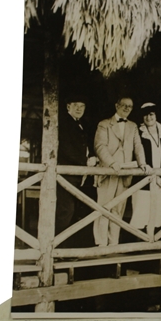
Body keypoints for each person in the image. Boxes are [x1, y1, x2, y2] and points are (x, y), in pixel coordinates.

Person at [93, 96, 150, 247]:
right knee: (104, 208)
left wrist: (142, 163)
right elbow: (100, 147)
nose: (126, 108)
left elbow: (138, 146)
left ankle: (113, 244)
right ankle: (101, 244)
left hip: (125, 173)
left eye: (130, 106)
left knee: (118, 209)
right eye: (123, 105)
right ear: (116, 105)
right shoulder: (104, 124)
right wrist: (112, 163)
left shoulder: (132, 126)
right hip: (108, 172)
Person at [56, 94, 97, 246]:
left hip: (78, 175)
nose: (79, 109)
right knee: (65, 211)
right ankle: (58, 248)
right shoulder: (64, 123)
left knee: (73, 211)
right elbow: (65, 148)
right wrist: (84, 161)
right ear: (68, 107)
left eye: (82, 106)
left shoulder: (81, 124)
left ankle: (67, 247)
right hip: (66, 174)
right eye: (76, 106)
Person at [130, 103, 161, 231]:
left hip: (160, 179)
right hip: (143, 178)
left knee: (158, 213)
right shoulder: (138, 132)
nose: (148, 117)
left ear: (156, 115)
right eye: (145, 115)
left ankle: (153, 242)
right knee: (141, 211)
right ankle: (138, 243)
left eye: (151, 114)